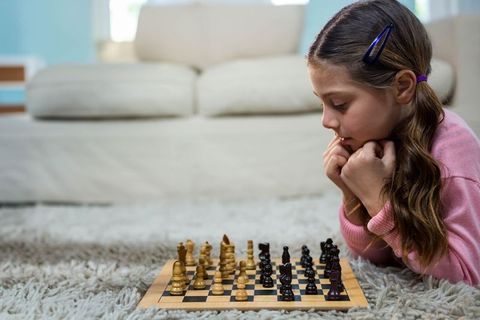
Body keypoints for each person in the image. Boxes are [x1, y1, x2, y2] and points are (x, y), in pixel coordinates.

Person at [307, 0, 480, 285]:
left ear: (402, 87)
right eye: (323, 103)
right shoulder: (376, 137)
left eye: (339, 103)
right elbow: (375, 257)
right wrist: (352, 196)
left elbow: (464, 277)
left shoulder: (453, 159)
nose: (326, 120)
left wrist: (378, 200)